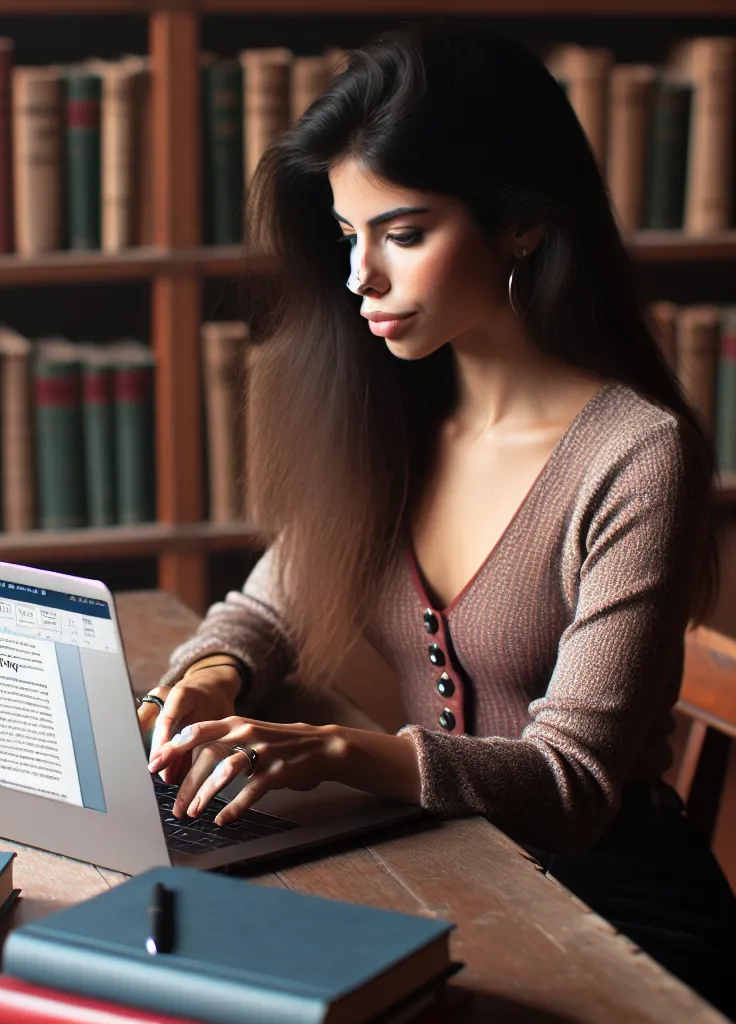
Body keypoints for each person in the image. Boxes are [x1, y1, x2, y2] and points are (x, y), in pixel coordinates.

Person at [137, 19, 736, 1015]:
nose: (358, 277)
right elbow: (265, 610)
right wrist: (205, 677)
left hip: (618, 922)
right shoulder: (392, 411)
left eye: (402, 235)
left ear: (521, 224)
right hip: (445, 873)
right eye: (345, 235)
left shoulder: (635, 454)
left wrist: (333, 750)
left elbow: (570, 785)